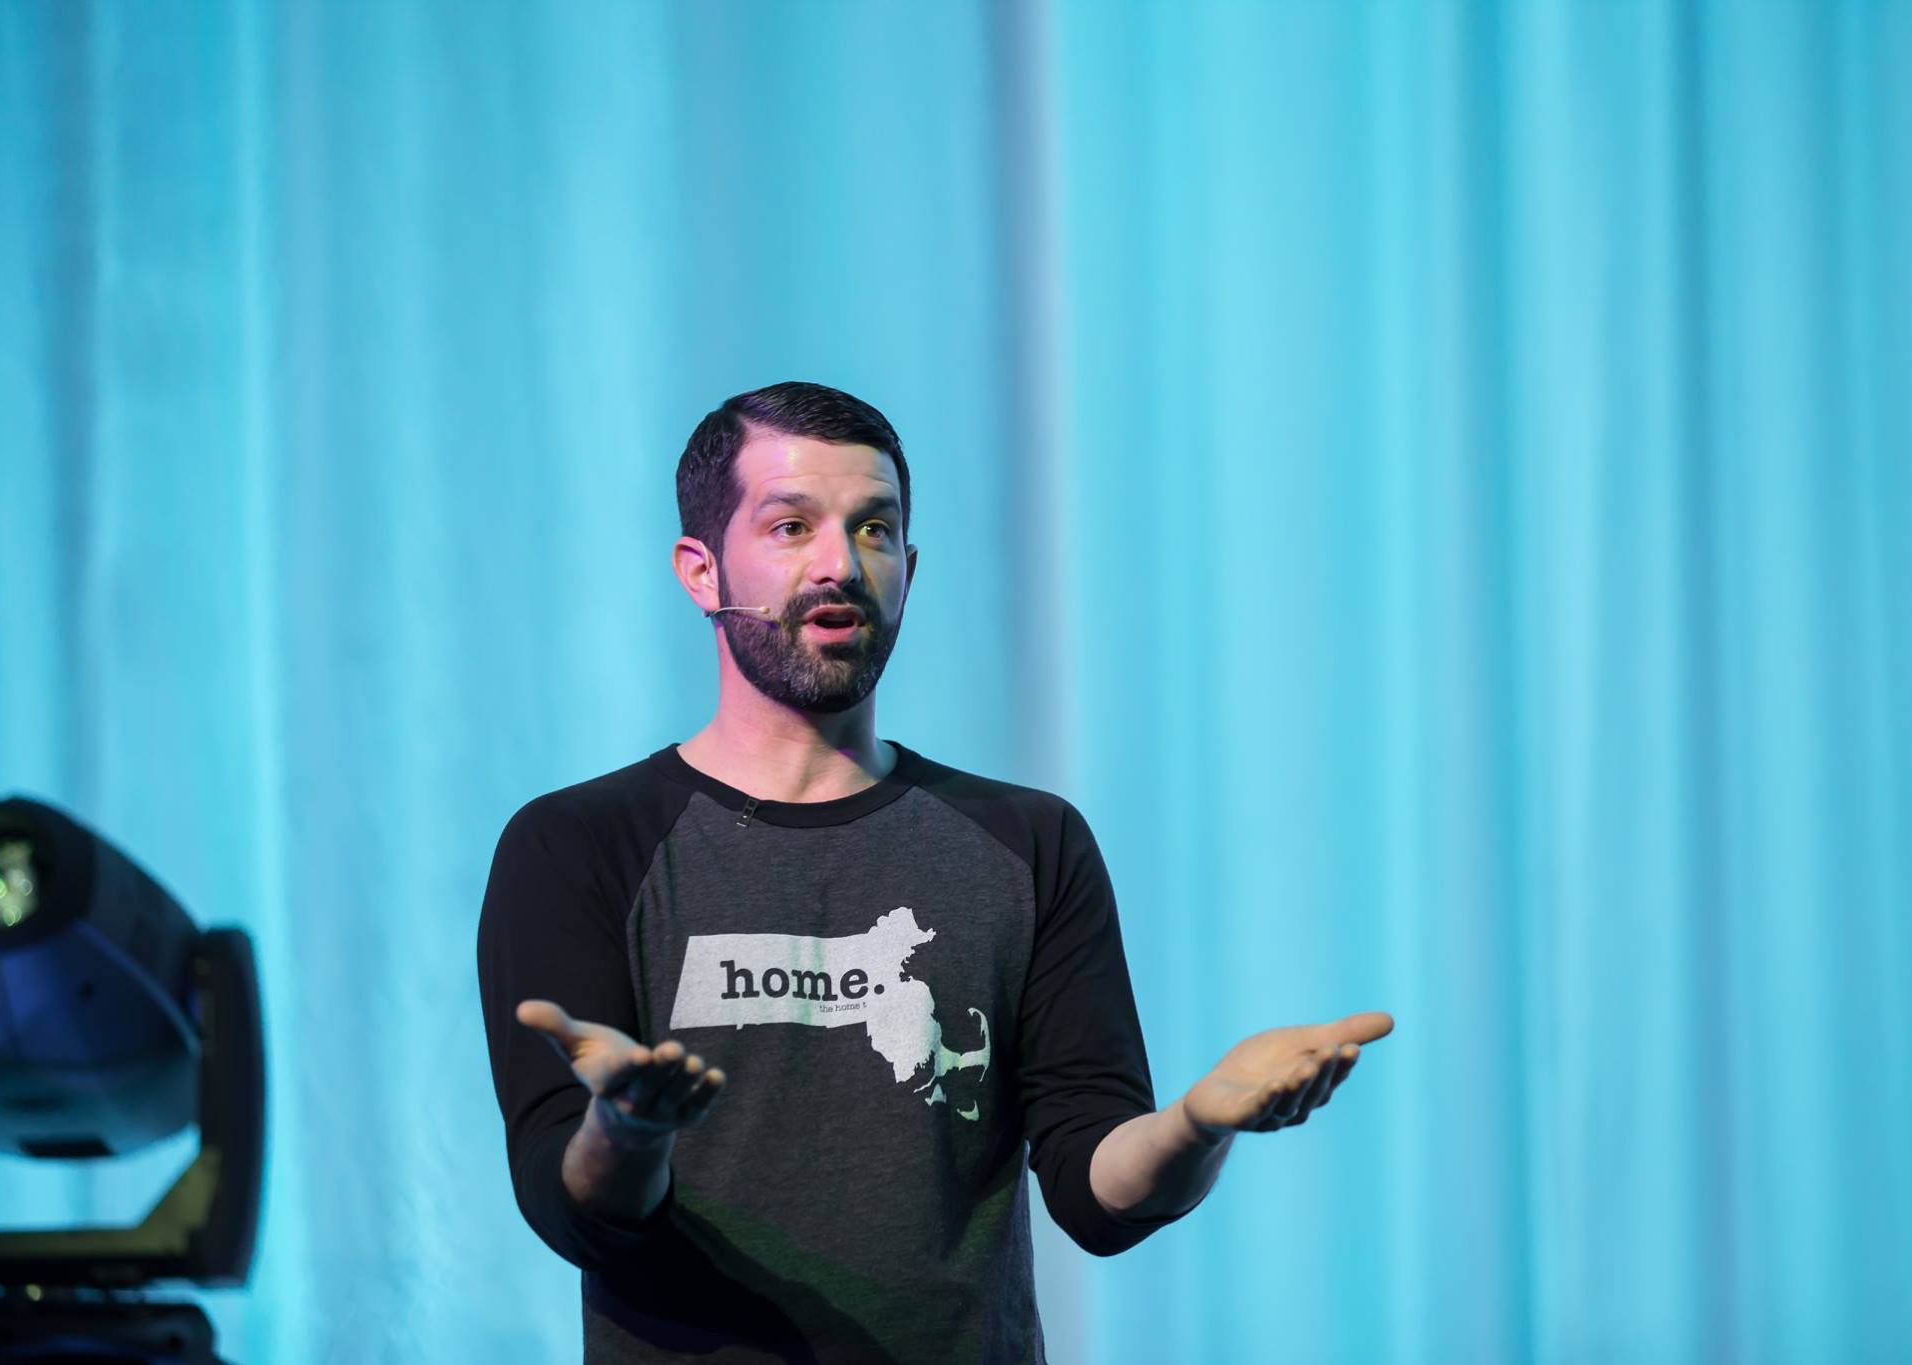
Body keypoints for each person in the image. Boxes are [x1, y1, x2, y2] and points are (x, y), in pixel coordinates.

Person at [476, 381, 1394, 1363]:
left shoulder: (1029, 841)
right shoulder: (577, 844)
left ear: (908, 570)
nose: (840, 564)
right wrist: (626, 1130)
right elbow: (575, 1212)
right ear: (701, 571)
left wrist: (1198, 1126)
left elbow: (1095, 1191)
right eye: (791, 526)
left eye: (873, 529)